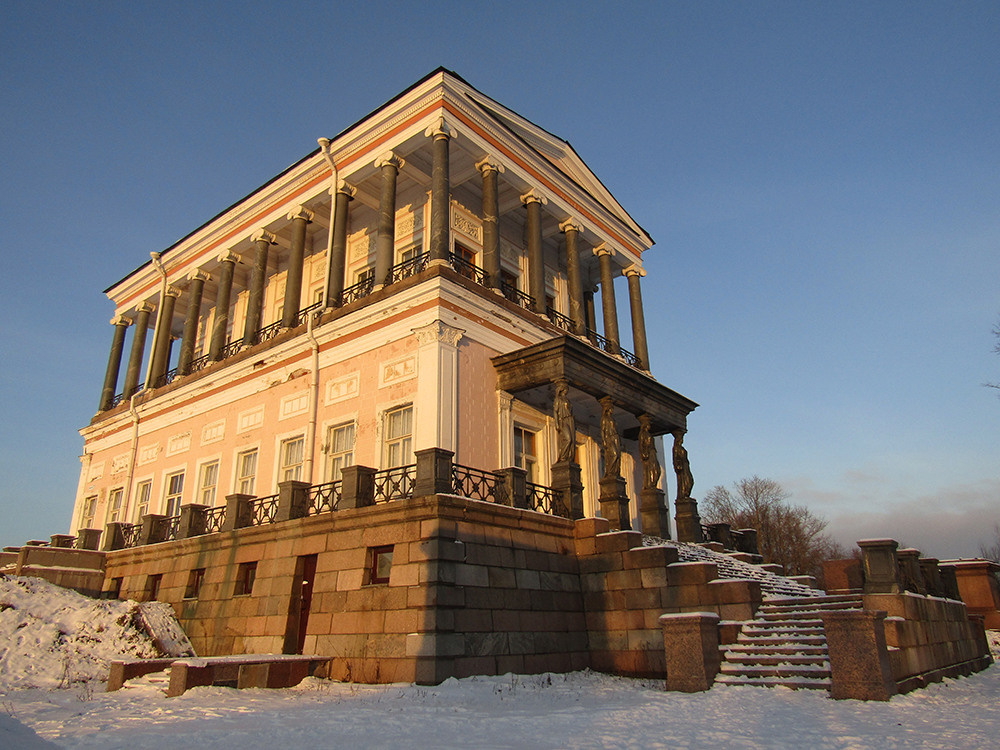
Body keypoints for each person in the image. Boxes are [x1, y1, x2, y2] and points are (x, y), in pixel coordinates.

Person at [554, 380, 575, 463]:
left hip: (570, 420)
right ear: (562, 389)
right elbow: (555, 411)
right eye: (566, 388)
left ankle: (569, 457)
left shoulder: (568, 400)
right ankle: (563, 458)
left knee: (572, 441)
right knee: (568, 439)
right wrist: (556, 423)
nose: (567, 390)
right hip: (563, 420)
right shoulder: (558, 399)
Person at [638, 414, 660, 491]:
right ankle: (649, 486)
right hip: (649, 454)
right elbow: (642, 445)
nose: (649, 426)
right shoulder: (643, 434)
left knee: (657, 471)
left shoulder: (649, 434)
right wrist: (644, 454)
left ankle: (652, 485)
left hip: (652, 453)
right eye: (647, 424)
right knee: (651, 469)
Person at [672, 430, 693, 499]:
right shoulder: (676, 448)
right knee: (686, 481)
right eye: (681, 438)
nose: (682, 440)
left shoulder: (681, 448)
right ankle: (683, 496)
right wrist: (678, 466)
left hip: (686, 466)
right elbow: (676, 458)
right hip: (682, 467)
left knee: (690, 481)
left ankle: (686, 495)